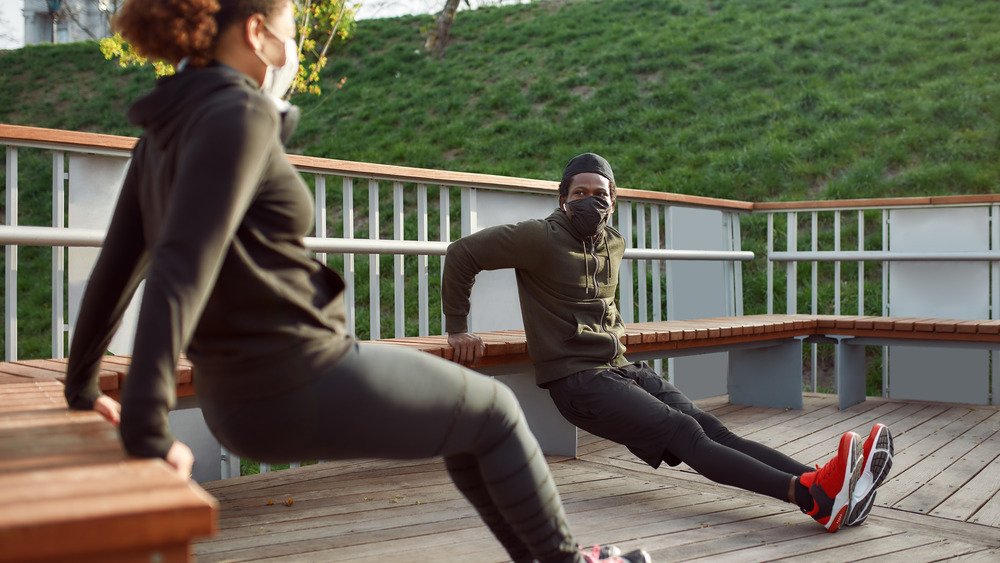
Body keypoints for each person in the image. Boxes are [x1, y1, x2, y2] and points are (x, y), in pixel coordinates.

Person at [62, 3, 651, 561]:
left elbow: (117, 271)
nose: (293, 49)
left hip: (237, 396)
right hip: (295, 377)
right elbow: (178, 269)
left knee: (470, 424)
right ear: (255, 34)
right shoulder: (237, 115)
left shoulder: (166, 132)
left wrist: (83, 388)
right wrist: (146, 427)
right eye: (289, 29)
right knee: (495, 410)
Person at [443, 153, 895, 533]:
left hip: (619, 367)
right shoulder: (539, 237)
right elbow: (463, 253)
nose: (590, 200)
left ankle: (827, 483)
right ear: (562, 199)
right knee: (685, 434)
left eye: (600, 193)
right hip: (578, 381)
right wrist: (458, 326)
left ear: (613, 201)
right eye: (579, 193)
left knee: (711, 427)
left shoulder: (611, 241)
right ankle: (812, 498)